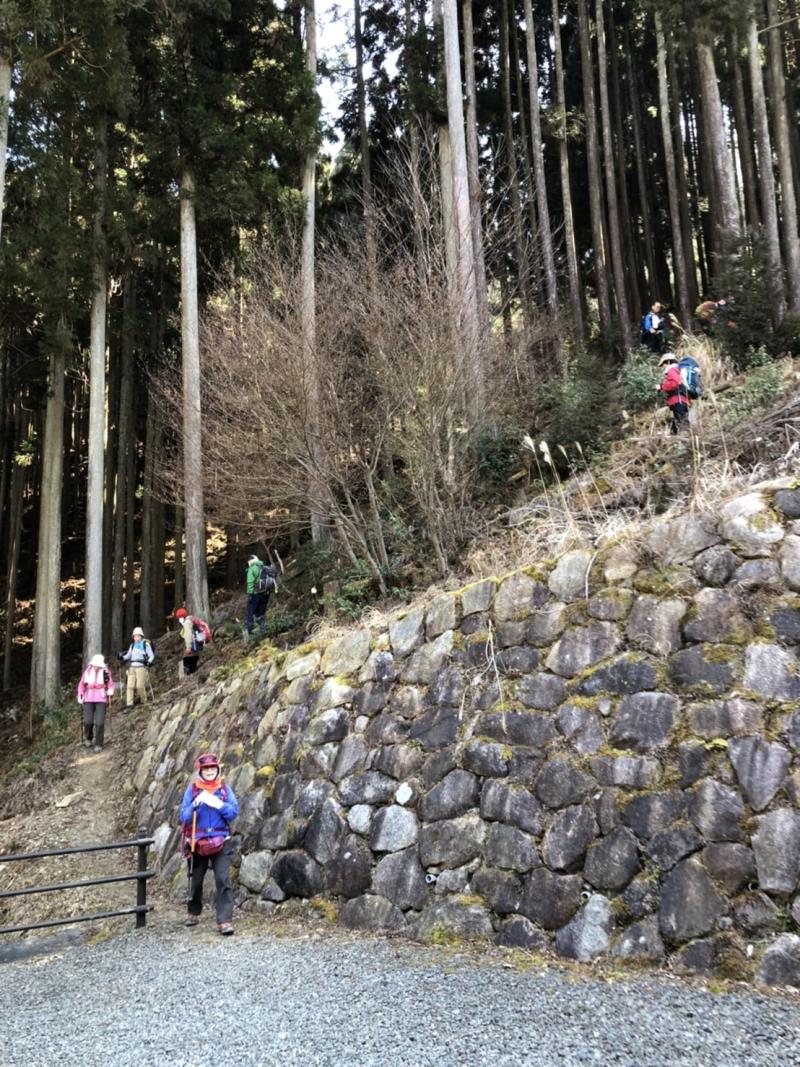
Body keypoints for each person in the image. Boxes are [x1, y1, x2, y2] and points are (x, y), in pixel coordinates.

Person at [179, 752, 239, 935]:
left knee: (222, 879)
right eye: (206, 769)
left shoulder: (224, 790)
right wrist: (195, 805)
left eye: (213, 768)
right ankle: (193, 911)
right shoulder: (192, 791)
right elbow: (184, 816)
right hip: (198, 842)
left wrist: (218, 804)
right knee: (196, 880)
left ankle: (224, 920)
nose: (210, 771)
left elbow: (233, 812)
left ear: (218, 769)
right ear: (200, 771)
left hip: (221, 840)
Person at [77, 654, 115, 752]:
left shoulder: (106, 672)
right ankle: (88, 738)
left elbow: (111, 684)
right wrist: (80, 695)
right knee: (88, 721)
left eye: (98, 666)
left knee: (100, 722)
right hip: (88, 698)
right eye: (94, 665)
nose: (96, 667)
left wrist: (110, 690)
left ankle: (99, 743)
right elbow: (81, 685)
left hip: (101, 698)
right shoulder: (87, 672)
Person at [118, 626, 154, 707]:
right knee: (130, 686)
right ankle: (129, 704)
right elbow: (128, 656)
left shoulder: (146, 645)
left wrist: (149, 662)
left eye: (138, 636)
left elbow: (151, 656)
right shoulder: (132, 645)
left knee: (139, 686)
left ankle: (143, 700)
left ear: (141, 636)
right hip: (132, 667)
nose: (136, 638)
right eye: (135, 636)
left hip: (141, 667)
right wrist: (121, 657)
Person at [244, 553, 277, 640]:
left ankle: (250, 635)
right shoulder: (265, 567)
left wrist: (250, 594)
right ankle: (263, 632)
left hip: (256, 594)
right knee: (260, 614)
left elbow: (250, 582)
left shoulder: (252, 569)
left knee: (250, 613)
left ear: (250, 561)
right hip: (266, 594)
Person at [656, 353, 690, 435]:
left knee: (682, 423)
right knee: (678, 422)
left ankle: (684, 440)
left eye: (663, 364)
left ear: (668, 362)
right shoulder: (677, 369)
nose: (663, 367)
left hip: (678, 400)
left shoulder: (672, 369)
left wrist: (661, 387)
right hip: (680, 400)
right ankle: (677, 438)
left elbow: (674, 383)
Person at [175, 607, 201, 676]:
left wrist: (188, 647)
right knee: (193, 662)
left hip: (192, 645)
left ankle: (192, 676)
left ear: (181, 617)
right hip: (195, 644)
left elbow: (188, 635)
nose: (178, 620)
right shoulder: (190, 620)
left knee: (188, 663)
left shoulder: (186, 623)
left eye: (178, 618)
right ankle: (195, 675)